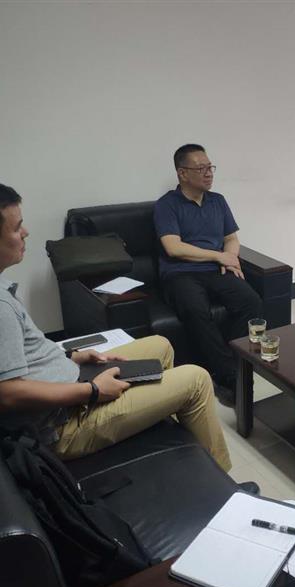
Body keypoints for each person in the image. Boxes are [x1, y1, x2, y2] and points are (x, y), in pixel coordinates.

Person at [0, 183, 234, 475]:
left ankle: (175, 444)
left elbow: (26, 356)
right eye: (16, 228)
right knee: (197, 380)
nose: (25, 233)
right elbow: (8, 392)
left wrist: (73, 357)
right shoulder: (1, 308)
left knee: (160, 344)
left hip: (71, 383)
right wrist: (92, 391)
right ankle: (227, 484)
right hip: (65, 424)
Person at [154, 144, 262, 399]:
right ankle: (228, 376)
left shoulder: (218, 201)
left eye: (210, 167)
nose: (209, 173)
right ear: (182, 173)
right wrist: (218, 255)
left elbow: (231, 238)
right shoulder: (167, 205)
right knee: (196, 310)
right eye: (201, 168)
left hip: (215, 270)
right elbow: (173, 247)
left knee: (251, 301)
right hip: (180, 273)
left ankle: (235, 363)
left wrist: (230, 258)